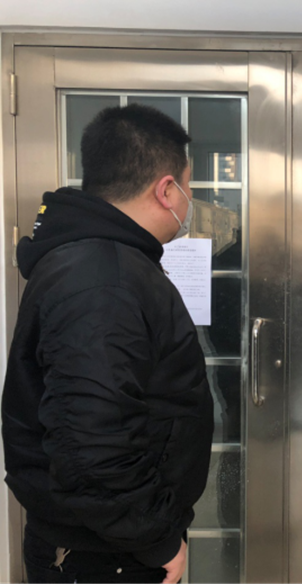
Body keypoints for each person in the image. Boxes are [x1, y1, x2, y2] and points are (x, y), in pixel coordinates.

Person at [2, 105, 214, 584]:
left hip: (108, 539)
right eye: (189, 188)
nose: (188, 202)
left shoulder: (102, 260)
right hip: (105, 553)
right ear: (166, 189)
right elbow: (92, 442)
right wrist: (155, 539)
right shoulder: (102, 279)